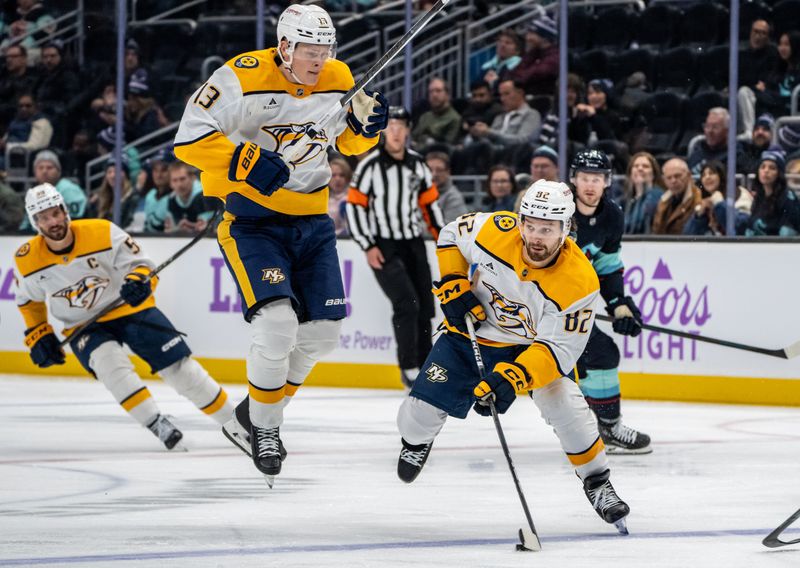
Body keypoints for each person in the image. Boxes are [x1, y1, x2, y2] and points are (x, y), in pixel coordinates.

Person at [173, 4, 387, 484]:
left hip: (312, 220)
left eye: (326, 50)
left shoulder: (338, 75)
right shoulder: (242, 75)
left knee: (324, 333)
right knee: (275, 322)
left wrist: (364, 131)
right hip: (252, 220)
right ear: (285, 46)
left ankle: (256, 409)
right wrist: (245, 160)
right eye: (310, 51)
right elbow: (188, 139)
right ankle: (264, 428)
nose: (319, 60)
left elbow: (343, 140)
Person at [395, 179, 630, 532]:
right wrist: (455, 282)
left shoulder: (580, 281)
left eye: (547, 229)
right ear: (519, 221)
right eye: (530, 225)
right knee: (415, 417)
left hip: (531, 349)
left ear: (567, 228)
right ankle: (417, 443)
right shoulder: (494, 230)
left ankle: (597, 482)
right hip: (470, 334)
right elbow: (449, 234)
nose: (536, 237)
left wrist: (513, 378)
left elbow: (557, 350)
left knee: (568, 407)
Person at [12, 184, 234, 449]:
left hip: (130, 309)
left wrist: (137, 282)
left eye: (55, 213)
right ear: (35, 222)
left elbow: (141, 264)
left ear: (64, 210)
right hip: (83, 327)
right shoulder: (27, 259)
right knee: (110, 366)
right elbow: (29, 301)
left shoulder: (101, 231)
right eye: (43, 217)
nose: (52, 222)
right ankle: (156, 423)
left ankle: (234, 422)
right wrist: (39, 335)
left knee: (180, 369)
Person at [346, 106, 443, 389]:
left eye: (401, 126)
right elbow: (355, 207)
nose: (396, 131)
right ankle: (409, 366)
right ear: (384, 129)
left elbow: (430, 206)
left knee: (426, 305)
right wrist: (367, 244)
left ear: (409, 130)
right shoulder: (370, 166)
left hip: (413, 243)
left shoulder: (418, 164)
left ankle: (426, 365)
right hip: (384, 245)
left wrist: (444, 241)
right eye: (391, 125)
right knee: (407, 303)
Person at [570, 150, 651, 454]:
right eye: (584, 178)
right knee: (588, 357)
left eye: (597, 179)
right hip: (540, 305)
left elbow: (606, 267)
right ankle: (602, 427)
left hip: (572, 308)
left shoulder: (612, 215)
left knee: (598, 354)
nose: (590, 185)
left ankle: (603, 427)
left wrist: (619, 304)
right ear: (573, 180)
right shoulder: (558, 210)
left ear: (607, 182)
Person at [684, 160, 752, 236]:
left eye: (711, 173)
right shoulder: (704, 201)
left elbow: (739, 227)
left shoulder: (740, 194)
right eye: (703, 175)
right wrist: (699, 217)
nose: (707, 177)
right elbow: (688, 235)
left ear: (721, 175)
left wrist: (719, 204)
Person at [745, 150, 800, 236]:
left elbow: (789, 231)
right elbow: (751, 226)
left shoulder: (788, 198)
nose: (766, 171)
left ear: (779, 173)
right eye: (762, 167)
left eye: (772, 168)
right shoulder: (758, 198)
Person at [411, 77, 462, 152]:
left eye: (438, 91)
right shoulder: (425, 116)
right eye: (431, 91)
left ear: (447, 95)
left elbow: (446, 146)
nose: (434, 95)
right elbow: (413, 138)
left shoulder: (455, 119)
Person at [618, 151, 664, 235]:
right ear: (630, 173)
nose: (640, 168)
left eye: (645, 166)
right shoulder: (624, 201)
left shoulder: (658, 196)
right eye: (636, 166)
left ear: (653, 174)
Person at [652, 158, 702, 235]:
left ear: (688, 175)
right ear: (664, 180)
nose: (673, 181)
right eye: (669, 178)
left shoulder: (699, 200)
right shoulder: (662, 201)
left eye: (677, 176)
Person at [163, 160, 214, 234]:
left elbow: (208, 228)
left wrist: (190, 227)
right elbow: (169, 229)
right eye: (175, 180)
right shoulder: (172, 199)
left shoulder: (205, 196)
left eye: (182, 179)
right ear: (170, 183)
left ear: (192, 178)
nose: (179, 184)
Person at [425, 151, 467, 224]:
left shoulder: (454, 197)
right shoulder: (417, 191)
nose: (433, 174)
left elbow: (449, 230)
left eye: (439, 170)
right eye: (429, 170)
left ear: (448, 172)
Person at [327, 156, 352, 237]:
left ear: (347, 177)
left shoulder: (352, 199)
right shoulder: (323, 199)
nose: (337, 179)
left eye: (341, 175)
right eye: (333, 175)